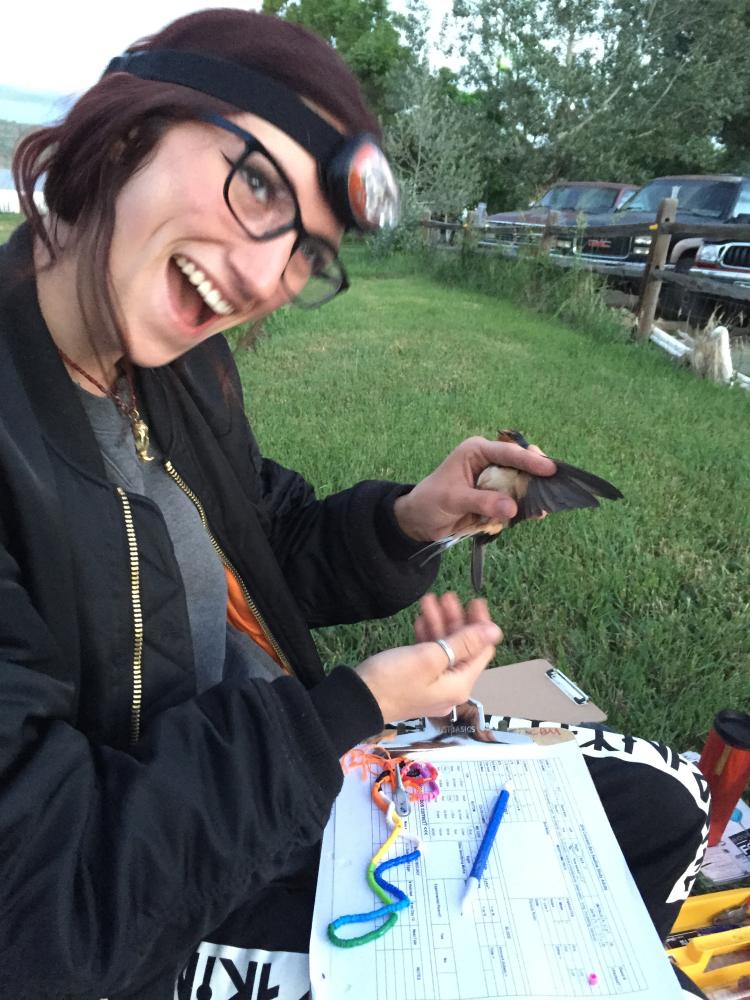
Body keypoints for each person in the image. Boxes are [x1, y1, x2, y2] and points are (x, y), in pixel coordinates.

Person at [0, 10, 708, 1000]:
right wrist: (352, 709)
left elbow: (264, 540)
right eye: (257, 184)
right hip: (163, 908)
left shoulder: (176, 365)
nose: (259, 279)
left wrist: (410, 517)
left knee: (666, 804)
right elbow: (51, 910)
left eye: (305, 255)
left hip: (278, 773)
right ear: (128, 130)